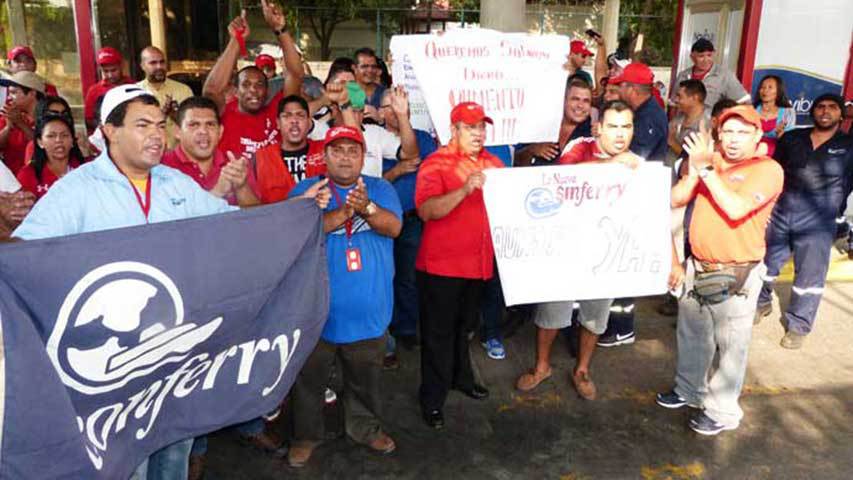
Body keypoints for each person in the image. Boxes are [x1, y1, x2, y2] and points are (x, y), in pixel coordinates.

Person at [657, 105, 784, 435]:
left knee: (731, 346)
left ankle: (723, 411)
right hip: (697, 267)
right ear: (718, 134)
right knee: (692, 335)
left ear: (758, 137)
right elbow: (676, 198)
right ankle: (688, 391)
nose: (733, 140)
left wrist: (708, 171)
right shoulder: (710, 163)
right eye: (728, 132)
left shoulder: (767, 169)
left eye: (743, 132)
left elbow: (736, 207)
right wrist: (696, 169)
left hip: (737, 273)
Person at [287, 125, 401, 467]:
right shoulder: (308, 190)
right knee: (309, 380)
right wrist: (336, 213)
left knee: (366, 378)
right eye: (338, 150)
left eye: (353, 150)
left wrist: (366, 206)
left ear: (363, 156)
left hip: (369, 309)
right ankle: (306, 436)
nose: (346, 157)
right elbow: (290, 235)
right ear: (324, 156)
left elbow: (394, 228)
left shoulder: (380, 188)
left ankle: (365, 429)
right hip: (315, 311)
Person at [515, 100, 641, 398]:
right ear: (599, 128)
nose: (620, 134)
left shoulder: (638, 163)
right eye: (613, 126)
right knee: (551, 312)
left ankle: (582, 369)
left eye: (626, 126)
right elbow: (560, 179)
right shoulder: (580, 147)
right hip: (566, 249)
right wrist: (609, 166)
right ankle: (541, 366)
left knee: (596, 315)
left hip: (605, 254)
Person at [415, 102, 504, 429]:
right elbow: (426, 211)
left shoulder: (493, 162)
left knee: (464, 330)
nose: (478, 133)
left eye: (482, 126)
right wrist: (465, 189)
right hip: (441, 268)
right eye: (470, 127)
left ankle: (461, 378)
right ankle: (432, 398)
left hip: (478, 266)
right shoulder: (435, 164)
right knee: (438, 336)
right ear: (453, 131)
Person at [755, 94, 852, 349]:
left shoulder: (849, 145)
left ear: (841, 115)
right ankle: (760, 303)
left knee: (809, 277)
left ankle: (799, 324)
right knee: (765, 265)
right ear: (813, 112)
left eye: (832, 108)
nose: (825, 111)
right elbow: (774, 172)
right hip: (782, 212)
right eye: (820, 107)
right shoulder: (793, 138)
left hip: (819, 221)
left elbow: (848, 185)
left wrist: (839, 220)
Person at [604, 62, 669, 346]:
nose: (618, 90)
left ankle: (622, 327)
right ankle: (617, 323)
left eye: (621, 85)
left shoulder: (648, 117)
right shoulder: (644, 112)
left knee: (623, 264)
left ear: (632, 89)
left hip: (637, 198)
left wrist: (599, 161)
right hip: (630, 197)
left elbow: (632, 158)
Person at [203, 1, 304, 159]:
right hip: (233, 183)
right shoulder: (223, 113)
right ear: (235, 91)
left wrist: (280, 30)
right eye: (246, 84)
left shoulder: (277, 112)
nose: (253, 90)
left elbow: (295, 75)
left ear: (267, 90)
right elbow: (211, 90)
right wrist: (236, 41)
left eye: (260, 85)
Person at [161, 96, 260, 207]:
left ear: (220, 132)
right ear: (177, 131)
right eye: (194, 125)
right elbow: (170, 221)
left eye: (210, 124)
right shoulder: (161, 168)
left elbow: (257, 217)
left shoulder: (235, 164)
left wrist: (242, 186)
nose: (203, 131)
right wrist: (218, 191)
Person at [251, 95, 326, 203]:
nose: (294, 120)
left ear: (309, 122)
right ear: (278, 123)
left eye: (300, 115)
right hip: (277, 218)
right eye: (287, 116)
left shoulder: (325, 150)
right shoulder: (260, 158)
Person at [514, 78, 593, 167]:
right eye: (575, 99)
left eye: (586, 101)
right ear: (563, 101)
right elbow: (513, 160)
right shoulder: (540, 127)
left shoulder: (593, 135)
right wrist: (531, 150)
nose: (580, 105)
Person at [16, 112, 84, 199]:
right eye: (51, 136)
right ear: (40, 142)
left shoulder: (86, 169)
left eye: (64, 135)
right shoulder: (28, 174)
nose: (58, 140)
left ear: (72, 140)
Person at [137, 46, 194, 149]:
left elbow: (193, 125)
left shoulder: (184, 90)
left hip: (177, 156)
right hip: (147, 156)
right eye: (153, 63)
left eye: (162, 62)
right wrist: (161, 115)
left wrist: (175, 115)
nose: (159, 66)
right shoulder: (135, 92)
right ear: (142, 66)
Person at [671, 38, 750, 110]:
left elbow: (744, 102)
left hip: (710, 124)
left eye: (709, 55)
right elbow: (674, 104)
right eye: (701, 56)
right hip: (684, 123)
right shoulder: (683, 75)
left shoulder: (725, 76)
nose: (706, 60)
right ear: (692, 57)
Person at [0, 71, 45, 174]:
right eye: (9, 92)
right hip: (11, 182)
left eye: (14, 92)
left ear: (32, 93)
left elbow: (43, 146)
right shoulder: (9, 114)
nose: (9, 97)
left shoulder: (50, 116)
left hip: (39, 181)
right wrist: (8, 127)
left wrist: (20, 123)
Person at [84, 46, 133, 131]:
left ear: (121, 67)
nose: (110, 75)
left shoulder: (132, 86)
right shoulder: (94, 91)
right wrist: (103, 127)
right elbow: (88, 119)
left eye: (114, 70)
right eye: (105, 71)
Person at [668, 80, 710, 162]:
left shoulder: (708, 123)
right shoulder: (679, 118)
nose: (676, 100)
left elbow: (698, 158)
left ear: (695, 98)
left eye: (680, 96)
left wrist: (673, 143)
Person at [754, 75, 796, 156]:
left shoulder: (788, 112)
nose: (765, 90)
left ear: (779, 91)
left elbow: (790, 142)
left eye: (770, 87)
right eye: (762, 87)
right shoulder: (752, 109)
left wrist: (780, 134)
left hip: (776, 156)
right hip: (752, 154)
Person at [354, 47, 386, 112]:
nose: (370, 70)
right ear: (355, 69)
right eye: (364, 66)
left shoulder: (385, 93)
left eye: (373, 66)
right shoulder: (345, 93)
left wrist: (380, 120)